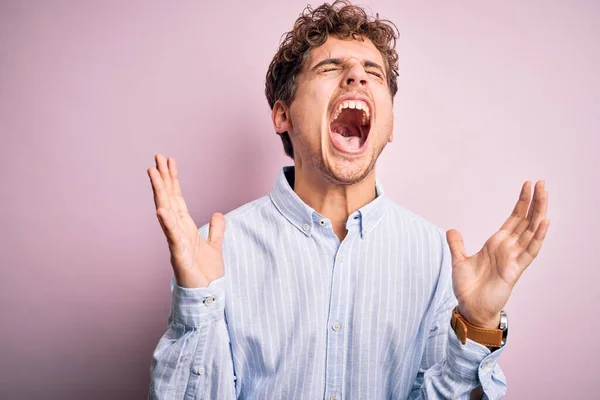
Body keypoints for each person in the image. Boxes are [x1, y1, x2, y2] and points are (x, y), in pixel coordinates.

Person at [146, 1, 549, 398]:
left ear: (389, 124)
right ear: (281, 115)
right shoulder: (216, 254)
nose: (357, 76)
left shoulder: (437, 258)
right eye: (330, 67)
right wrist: (198, 306)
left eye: (372, 73)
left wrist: (477, 324)